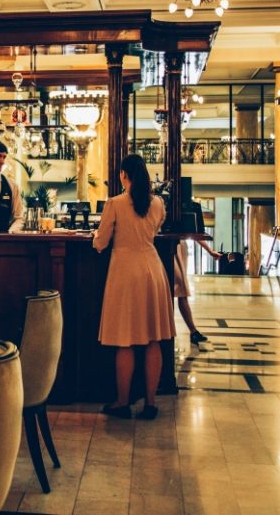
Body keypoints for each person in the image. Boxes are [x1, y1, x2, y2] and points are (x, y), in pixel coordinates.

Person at [93, 154, 174, 420]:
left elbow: (101, 242)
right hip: (152, 269)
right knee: (153, 338)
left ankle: (122, 402)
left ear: (124, 175)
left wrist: (96, 236)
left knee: (124, 340)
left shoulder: (115, 203)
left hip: (125, 273)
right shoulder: (158, 203)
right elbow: (156, 230)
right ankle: (150, 402)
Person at [173, 239, 220, 344]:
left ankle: (192, 331)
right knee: (178, 289)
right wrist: (209, 251)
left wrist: (209, 250)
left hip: (176, 247)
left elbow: (194, 233)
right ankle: (189, 331)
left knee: (181, 290)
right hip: (169, 247)